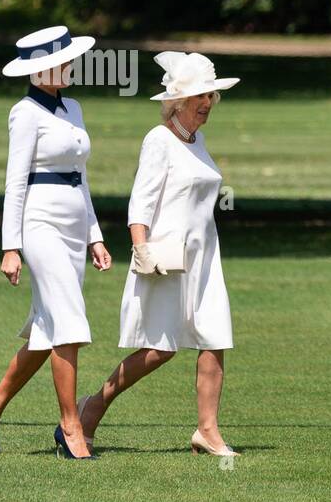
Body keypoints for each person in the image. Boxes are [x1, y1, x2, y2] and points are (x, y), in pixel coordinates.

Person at [77, 52, 241, 456]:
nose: (207, 103)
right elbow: (141, 201)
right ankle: (92, 407)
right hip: (167, 257)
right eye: (199, 96)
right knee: (160, 349)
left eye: (210, 96)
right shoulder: (159, 139)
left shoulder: (198, 141)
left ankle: (207, 431)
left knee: (214, 337)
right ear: (178, 102)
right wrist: (141, 248)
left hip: (205, 256)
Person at [0, 25, 112, 460]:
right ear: (40, 70)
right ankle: (70, 427)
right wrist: (10, 246)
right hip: (40, 224)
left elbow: (82, 178)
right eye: (61, 61)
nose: (70, 65)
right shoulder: (24, 113)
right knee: (69, 322)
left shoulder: (74, 107)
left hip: (74, 226)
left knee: (46, 331)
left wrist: (95, 236)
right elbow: (15, 183)